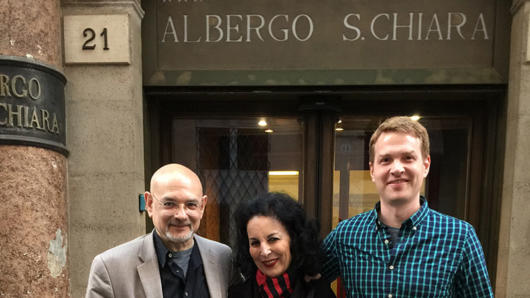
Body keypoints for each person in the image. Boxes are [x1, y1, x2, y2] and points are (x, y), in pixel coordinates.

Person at [322, 116, 493, 297]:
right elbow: (301, 279)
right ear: (373, 170)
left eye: (408, 158)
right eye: (386, 159)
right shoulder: (346, 234)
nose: (397, 168)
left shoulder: (460, 237)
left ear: (426, 165)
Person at [85, 163, 232, 298]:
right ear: (149, 204)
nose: (181, 215)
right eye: (169, 204)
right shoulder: (110, 268)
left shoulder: (223, 258)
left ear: (202, 206)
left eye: (191, 204)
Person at [229, 192, 335, 298]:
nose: (265, 251)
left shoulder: (318, 292)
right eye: (255, 243)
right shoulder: (237, 294)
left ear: (294, 240)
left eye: (273, 239)